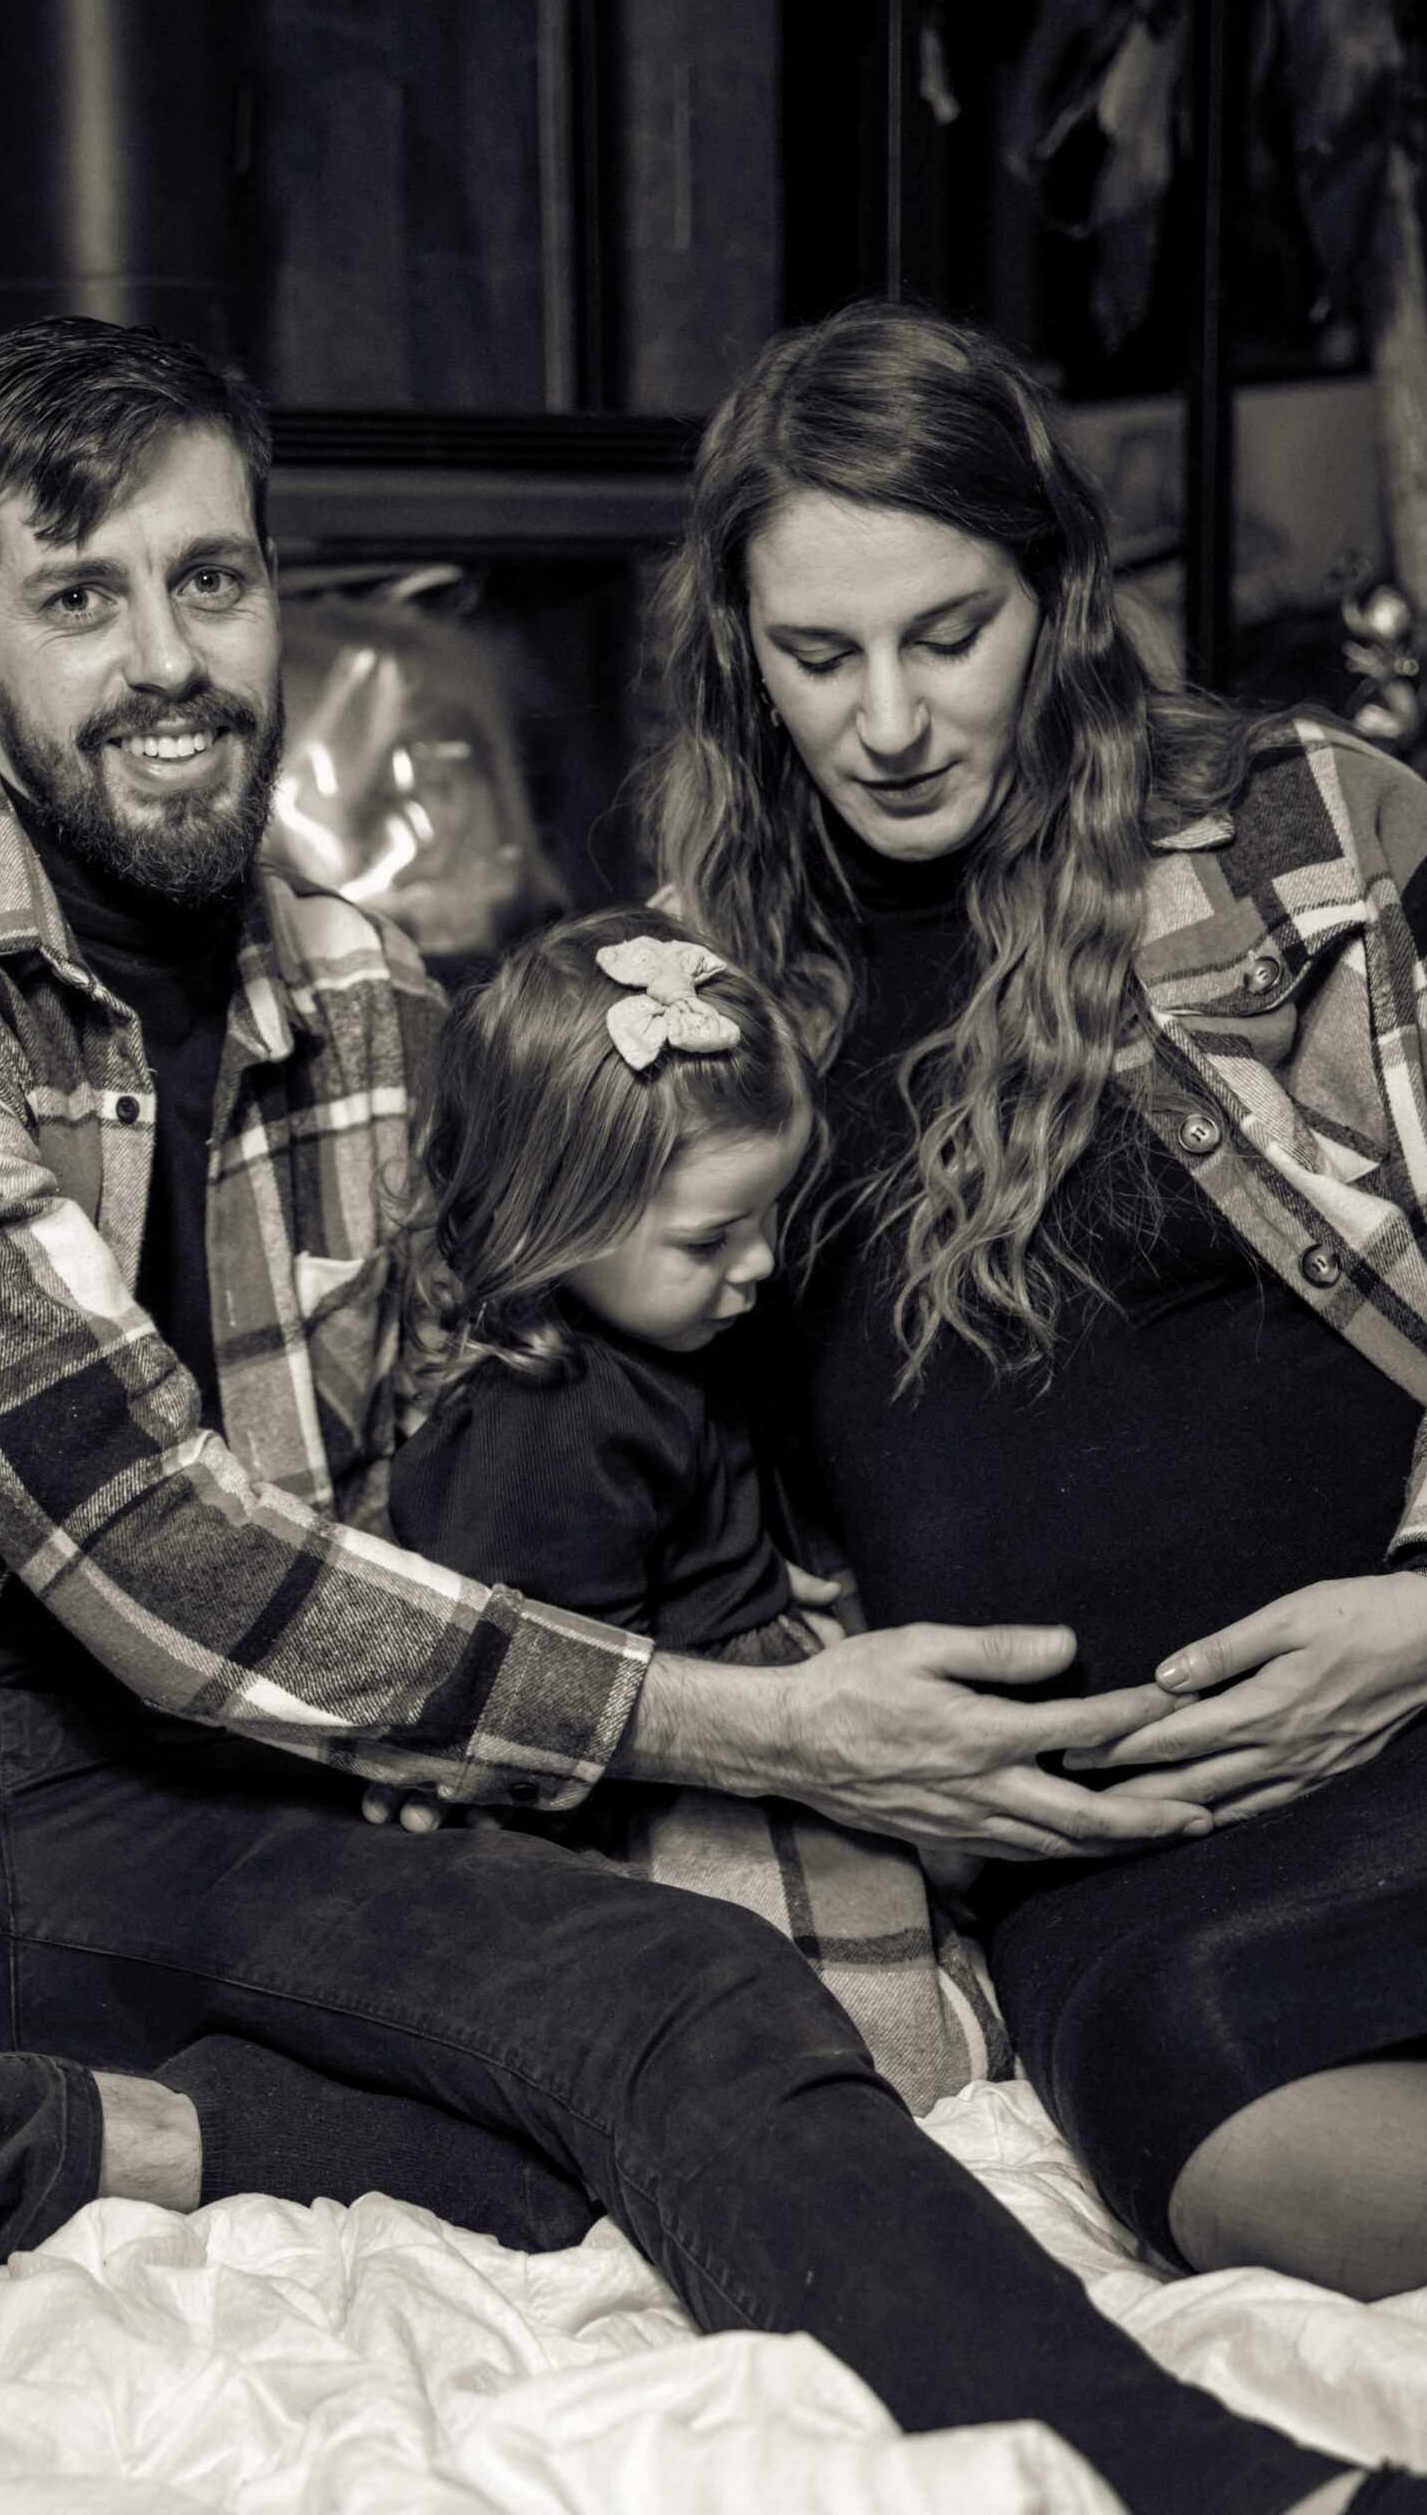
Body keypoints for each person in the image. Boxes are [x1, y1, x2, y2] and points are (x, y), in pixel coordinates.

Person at [0, 313, 1417, 2515]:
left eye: (211, 580)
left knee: (690, 1997)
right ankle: (125, 2133)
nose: (166, 658)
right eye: (80, 593)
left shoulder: (367, 995)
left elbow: (513, 1374)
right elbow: (158, 1547)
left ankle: (1225, 2477)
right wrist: (760, 1727)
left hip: (219, 1801)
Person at [637, 294, 1427, 2326]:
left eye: (952, 632)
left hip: (1422, 1683)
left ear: (1060, 598)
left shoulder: (1304, 821)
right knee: (1231, 2145)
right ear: (741, 644)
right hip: (1108, 1838)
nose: (891, 717)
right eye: (819, 654)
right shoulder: (699, 981)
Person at [387, 903, 1007, 2111]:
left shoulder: (669, 1331)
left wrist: (771, 1558)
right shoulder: (555, 1424)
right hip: (678, 1771)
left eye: (772, 1211)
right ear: (549, 1223)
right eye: (712, 1236)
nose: (763, 1261)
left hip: (759, 1686)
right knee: (847, 2054)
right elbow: (527, 1688)